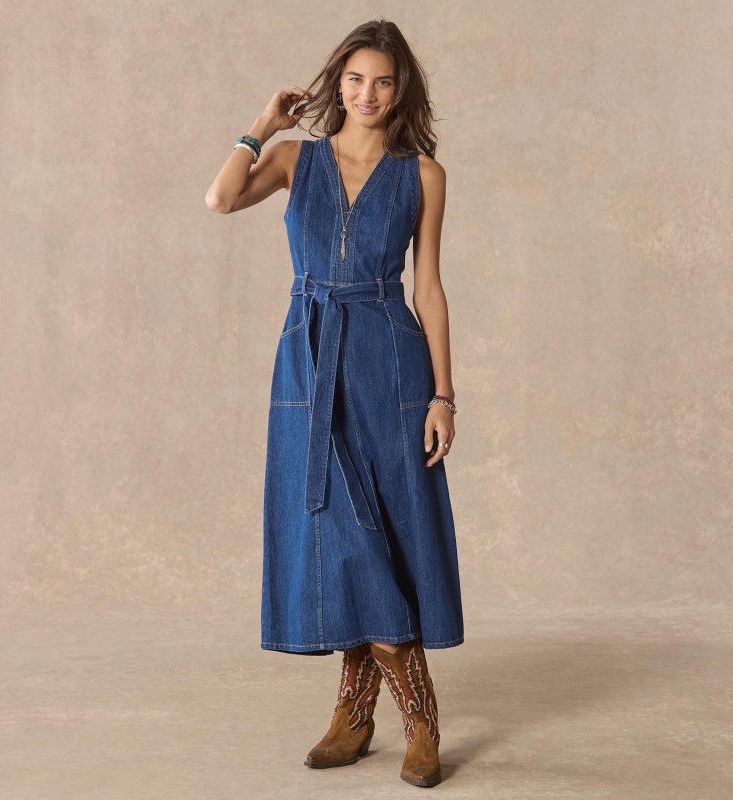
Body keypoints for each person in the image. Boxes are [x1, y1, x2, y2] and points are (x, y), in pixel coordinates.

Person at [205, 19, 463, 789]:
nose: (367, 94)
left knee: (381, 531)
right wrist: (262, 123)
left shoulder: (423, 175)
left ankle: (384, 715)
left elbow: (429, 288)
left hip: (390, 364)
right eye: (355, 79)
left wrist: (444, 395)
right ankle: (378, 710)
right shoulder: (296, 159)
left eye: (382, 81)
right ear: (336, 83)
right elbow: (220, 199)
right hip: (310, 361)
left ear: (401, 89)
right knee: (336, 530)